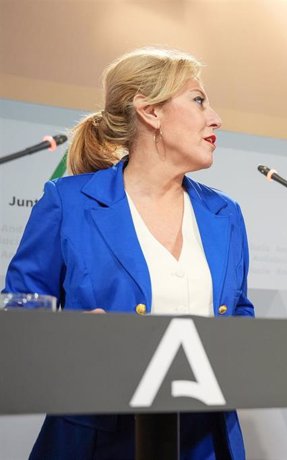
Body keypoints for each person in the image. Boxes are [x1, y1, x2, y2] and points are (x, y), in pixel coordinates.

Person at [3, 47, 254, 460]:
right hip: (97, 443)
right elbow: (19, 315)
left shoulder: (225, 214)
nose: (216, 118)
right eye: (198, 100)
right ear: (150, 112)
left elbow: (239, 312)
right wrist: (69, 336)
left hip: (207, 443)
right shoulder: (68, 203)